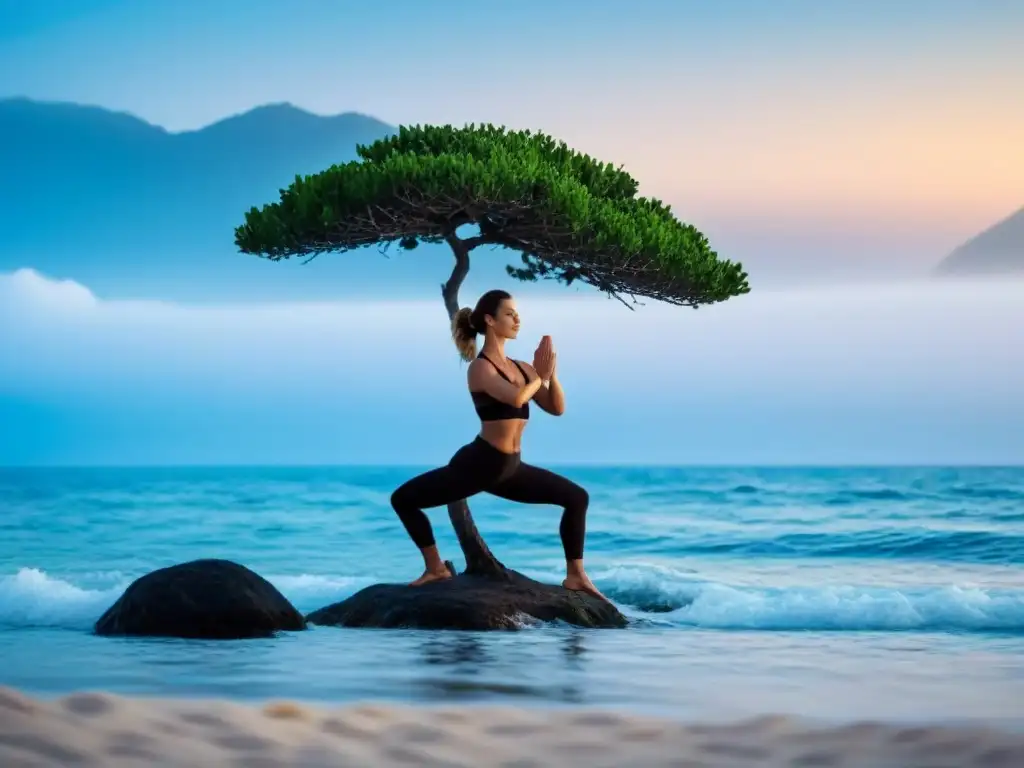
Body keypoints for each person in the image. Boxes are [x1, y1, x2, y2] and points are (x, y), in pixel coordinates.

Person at [389, 289, 607, 601]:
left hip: (510, 467)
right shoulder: (481, 368)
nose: (517, 319)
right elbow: (515, 397)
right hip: (480, 464)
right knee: (403, 499)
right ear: (490, 320)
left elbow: (556, 408)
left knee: (576, 498)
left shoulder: (523, 368)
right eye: (509, 313)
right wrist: (538, 377)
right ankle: (435, 567)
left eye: (517, 313)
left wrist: (550, 376)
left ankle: (576, 575)